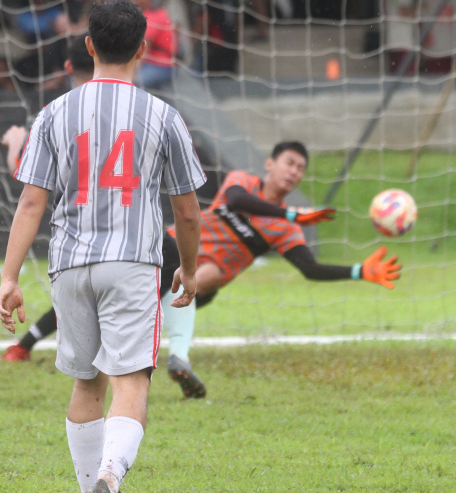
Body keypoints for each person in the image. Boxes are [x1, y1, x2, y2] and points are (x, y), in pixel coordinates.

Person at [0, 1, 206, 493]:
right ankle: (109, 479)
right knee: (131, 381)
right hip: (133, 262)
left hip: (70, 264)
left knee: (86, 381)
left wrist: (9, 276)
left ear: (88, 46)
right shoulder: (163, 115)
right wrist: (188, 266)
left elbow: (30, 203)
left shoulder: (54, 113)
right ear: (142, 49)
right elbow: (186, 207)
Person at [160, 141, 403, 398]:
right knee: (145, 305)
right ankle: (177, 355)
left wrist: (360, 271)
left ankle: (178, 358)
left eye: (300, 168)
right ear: (270, 164)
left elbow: (310, 268)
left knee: (210, 276)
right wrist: (291, 215)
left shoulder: (285, 230)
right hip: (170, 247)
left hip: (199, 279)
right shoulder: (243, 181)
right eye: (289, 163)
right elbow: (237, 199)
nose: (294, 171)